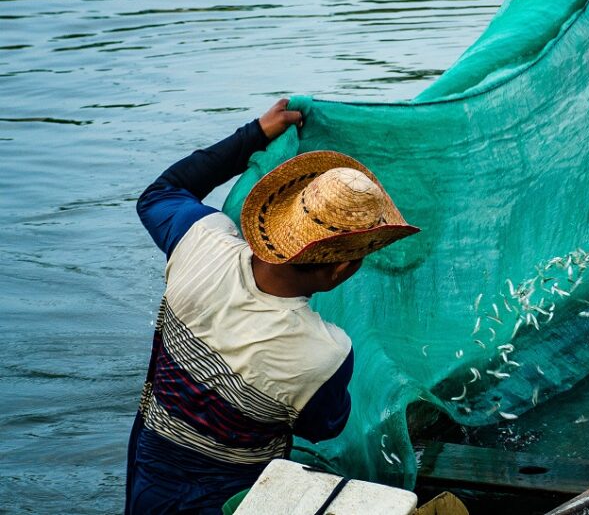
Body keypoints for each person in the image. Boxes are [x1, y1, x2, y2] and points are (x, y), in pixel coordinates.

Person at [125, 99, 419, 514]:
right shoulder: (325, 353)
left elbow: (160, 193)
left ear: (277, 220)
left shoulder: (200, 240)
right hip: (237, 493)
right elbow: (322, 428)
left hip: (149, 460)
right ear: (340, 269)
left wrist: (256, 133)